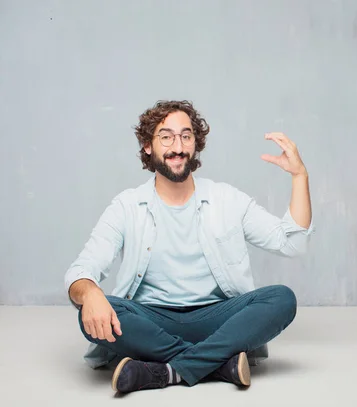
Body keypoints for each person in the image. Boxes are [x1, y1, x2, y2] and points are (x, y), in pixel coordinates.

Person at [64, 100, 314, 394]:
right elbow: (81, 270)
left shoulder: (227, 199)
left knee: (281, 299)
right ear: (148, 146)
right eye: (166, 136)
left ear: (196, 144)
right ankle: (218, 364)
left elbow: (291, 242)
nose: (177, 146)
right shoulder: (126, 206)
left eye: (186, 136)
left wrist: (300, 176)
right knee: (88, 311)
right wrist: (91, 292)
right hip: (151, 321)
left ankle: (164, 372)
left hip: (217, 319)